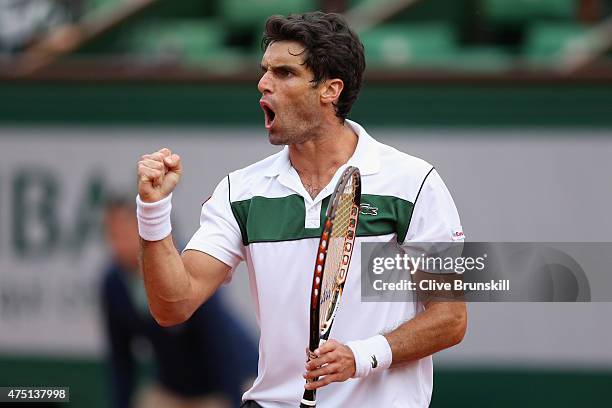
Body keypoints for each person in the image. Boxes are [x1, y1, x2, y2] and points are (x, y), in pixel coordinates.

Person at [135, 11, 467, 408]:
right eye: (265, 71)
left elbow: (451, 318)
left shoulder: (414, 183)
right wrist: (153, 212)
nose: (263, 83)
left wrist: (363, 356)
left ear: (330, 90)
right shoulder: (239, 192)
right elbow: (173, 305)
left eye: (285, 73)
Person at [100, 195, 257, 408]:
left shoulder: (186, 264)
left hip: (231, 380)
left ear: (146, 231)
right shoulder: (114, 284)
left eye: (125, 234)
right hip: (172, 386)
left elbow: (221, 346)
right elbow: (121, 358)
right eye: (112, 236)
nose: (118, 245)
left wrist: (232, 401)